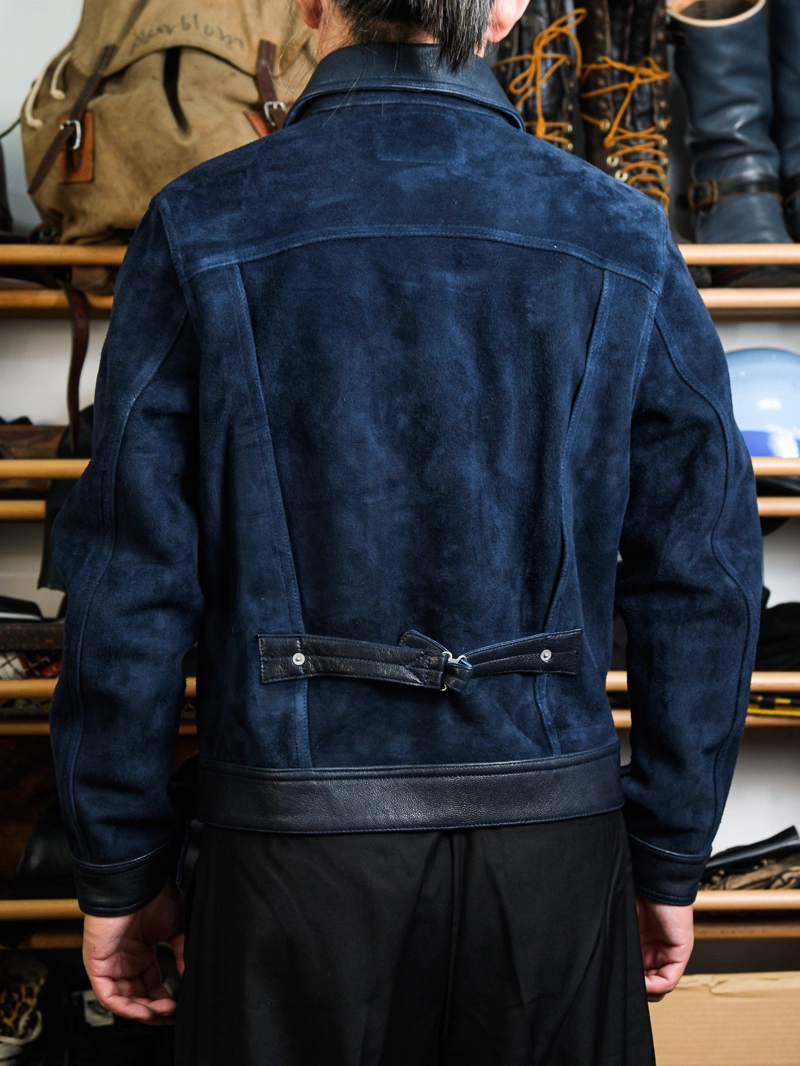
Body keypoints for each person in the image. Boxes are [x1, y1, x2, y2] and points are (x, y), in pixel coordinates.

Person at [49, 0, 763, 1062]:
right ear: (508, 6)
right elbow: (703, 573)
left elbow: (129, 580)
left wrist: (120, 867)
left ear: (309, 1)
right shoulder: (620, 231)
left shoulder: (199, 222)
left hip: (288, 861)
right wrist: (667, 848)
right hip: (549, 861)